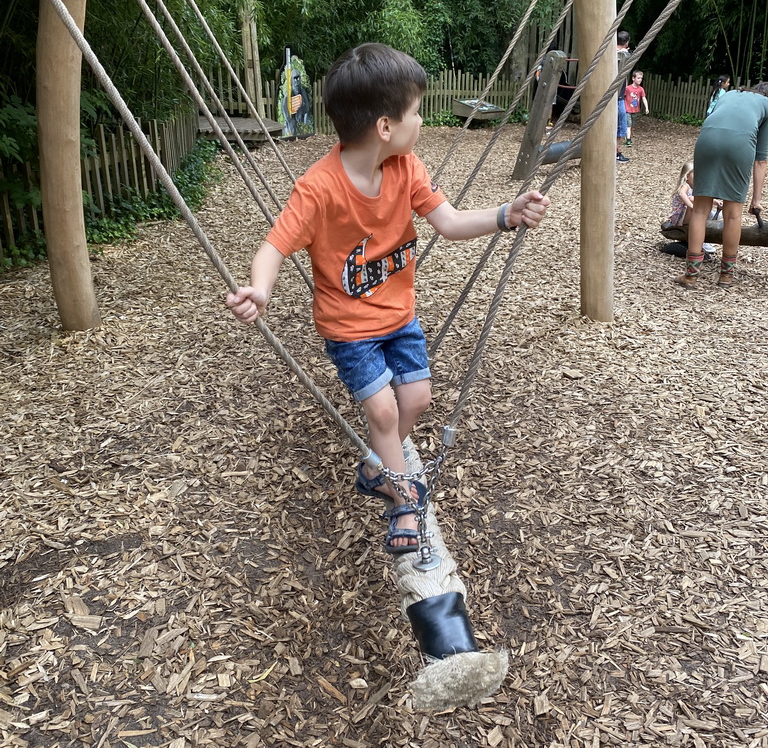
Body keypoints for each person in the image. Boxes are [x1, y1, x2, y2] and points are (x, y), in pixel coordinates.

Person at [226, 43, 550, 551]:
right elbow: (274, 246)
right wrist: (260, 290)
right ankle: (403, 502)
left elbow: (449, 221)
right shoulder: (318, 190)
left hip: (400, 317)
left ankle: (378, 465)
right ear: (385, 127)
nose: (421, 122)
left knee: (415, 400)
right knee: (380, 414)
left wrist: (506, 213)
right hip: (349, 327)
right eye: (416, 112)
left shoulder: (407, 168)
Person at [676, 82, 768, 289]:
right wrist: (756, 199)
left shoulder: (730, 94)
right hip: (739, 146)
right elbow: (761, 160)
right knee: (733, 215)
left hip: (706, 140)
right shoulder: (767, 105)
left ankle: (691, 275)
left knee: (700, 211)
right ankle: (726, 276)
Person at [664, 160, 718, 258]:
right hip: (680, 217)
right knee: (693, 200)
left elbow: (703, 197)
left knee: (701, 200)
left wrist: (715, 201)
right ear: (686, 176)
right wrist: (691, 205)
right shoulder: (685, 185)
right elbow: (681, 194)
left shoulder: (695, 187)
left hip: (689, 214)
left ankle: (708, 222)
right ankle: (702, 241)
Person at [623, 69, 649, 146]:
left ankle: (627, 136)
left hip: (635, 110)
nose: (640, 80)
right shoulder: (628, 88)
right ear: (633, 78)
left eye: (641, 78)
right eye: (638, 78)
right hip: (627, 110)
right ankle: (628, 140)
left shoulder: (641, 89)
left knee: (631, 125)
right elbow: (623, 97)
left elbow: (644, 98)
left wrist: (646, 107)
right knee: (629, 125)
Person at [616, 31, 631, 162]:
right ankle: (617, 152)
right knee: (621, 125)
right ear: (626, 42)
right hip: (619, 96)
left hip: (608, 95)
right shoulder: (626, 55)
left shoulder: (609, 53)